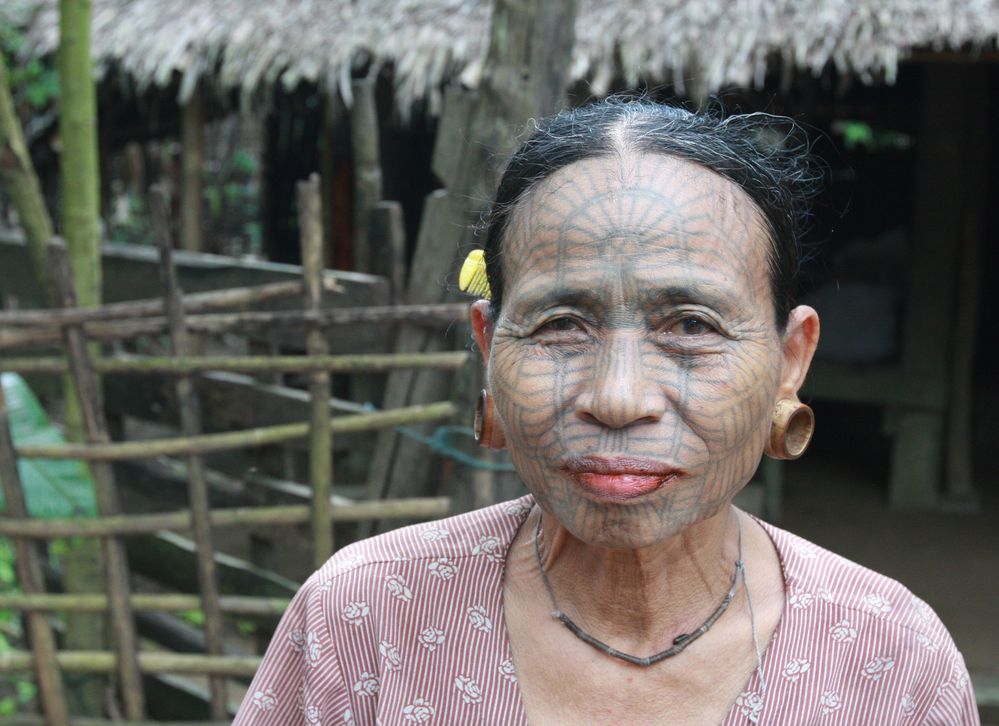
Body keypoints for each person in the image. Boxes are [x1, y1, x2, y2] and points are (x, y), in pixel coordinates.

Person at [234, 99, 978, 725]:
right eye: (560, 324)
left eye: (690, 326)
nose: (618, 398)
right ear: (488, 348)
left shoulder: (888, 662)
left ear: (790, 361)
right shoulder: (363, 619)